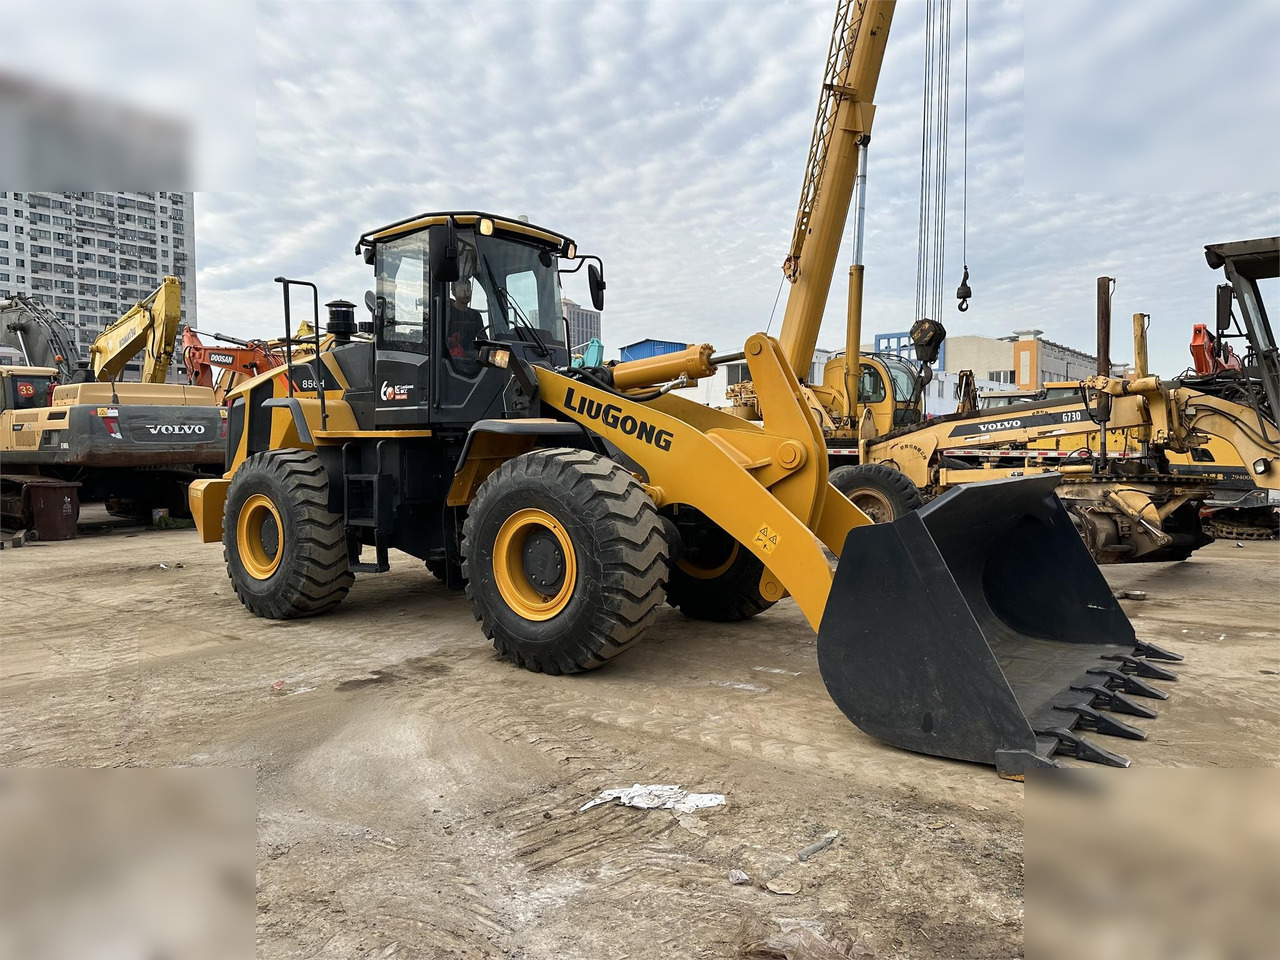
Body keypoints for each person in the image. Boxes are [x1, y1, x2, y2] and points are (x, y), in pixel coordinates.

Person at [447, 279, 485, 358]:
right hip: (451, 357)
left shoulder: (476, 315)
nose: (466, 293)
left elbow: (482, 339)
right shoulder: (447, 312)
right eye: (462, 290)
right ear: (453, 292)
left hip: (471, 358)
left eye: (468, 290)